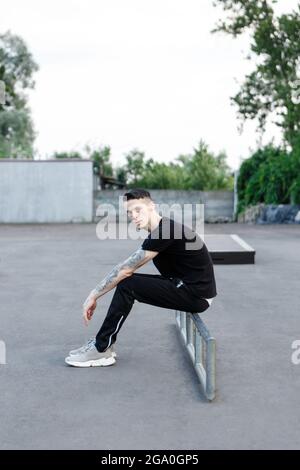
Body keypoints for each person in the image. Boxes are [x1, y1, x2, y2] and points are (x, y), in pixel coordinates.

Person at [65, 189, 217, 367]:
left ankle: (101, 349)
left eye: (138, 210)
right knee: (128, 282)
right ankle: (103, 344)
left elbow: (125, 270)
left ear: (151, 206)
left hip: (195, 295)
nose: (134, 216)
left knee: (128, 284)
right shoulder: (163, 229)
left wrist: (93, 295)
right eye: (129, 212)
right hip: (185, 286)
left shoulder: (164, 232)